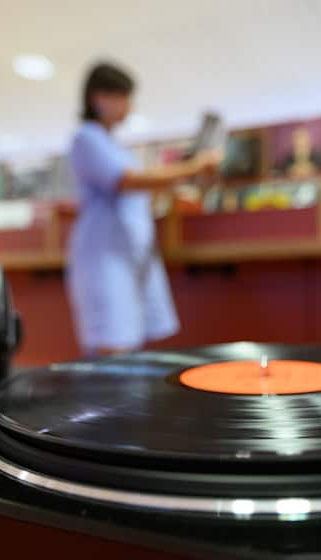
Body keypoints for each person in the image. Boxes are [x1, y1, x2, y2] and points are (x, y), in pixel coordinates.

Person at [67, 62, 218, 356]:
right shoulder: (86, 139)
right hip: (104, 257)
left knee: (130, 342)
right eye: (123, 97)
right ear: (99, 98)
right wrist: (190, 167)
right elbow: (127, 180)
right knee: (112, 345)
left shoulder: (117, 147)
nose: (129, 106)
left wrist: (189, 178)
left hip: (130, 256)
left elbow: (143, 191)